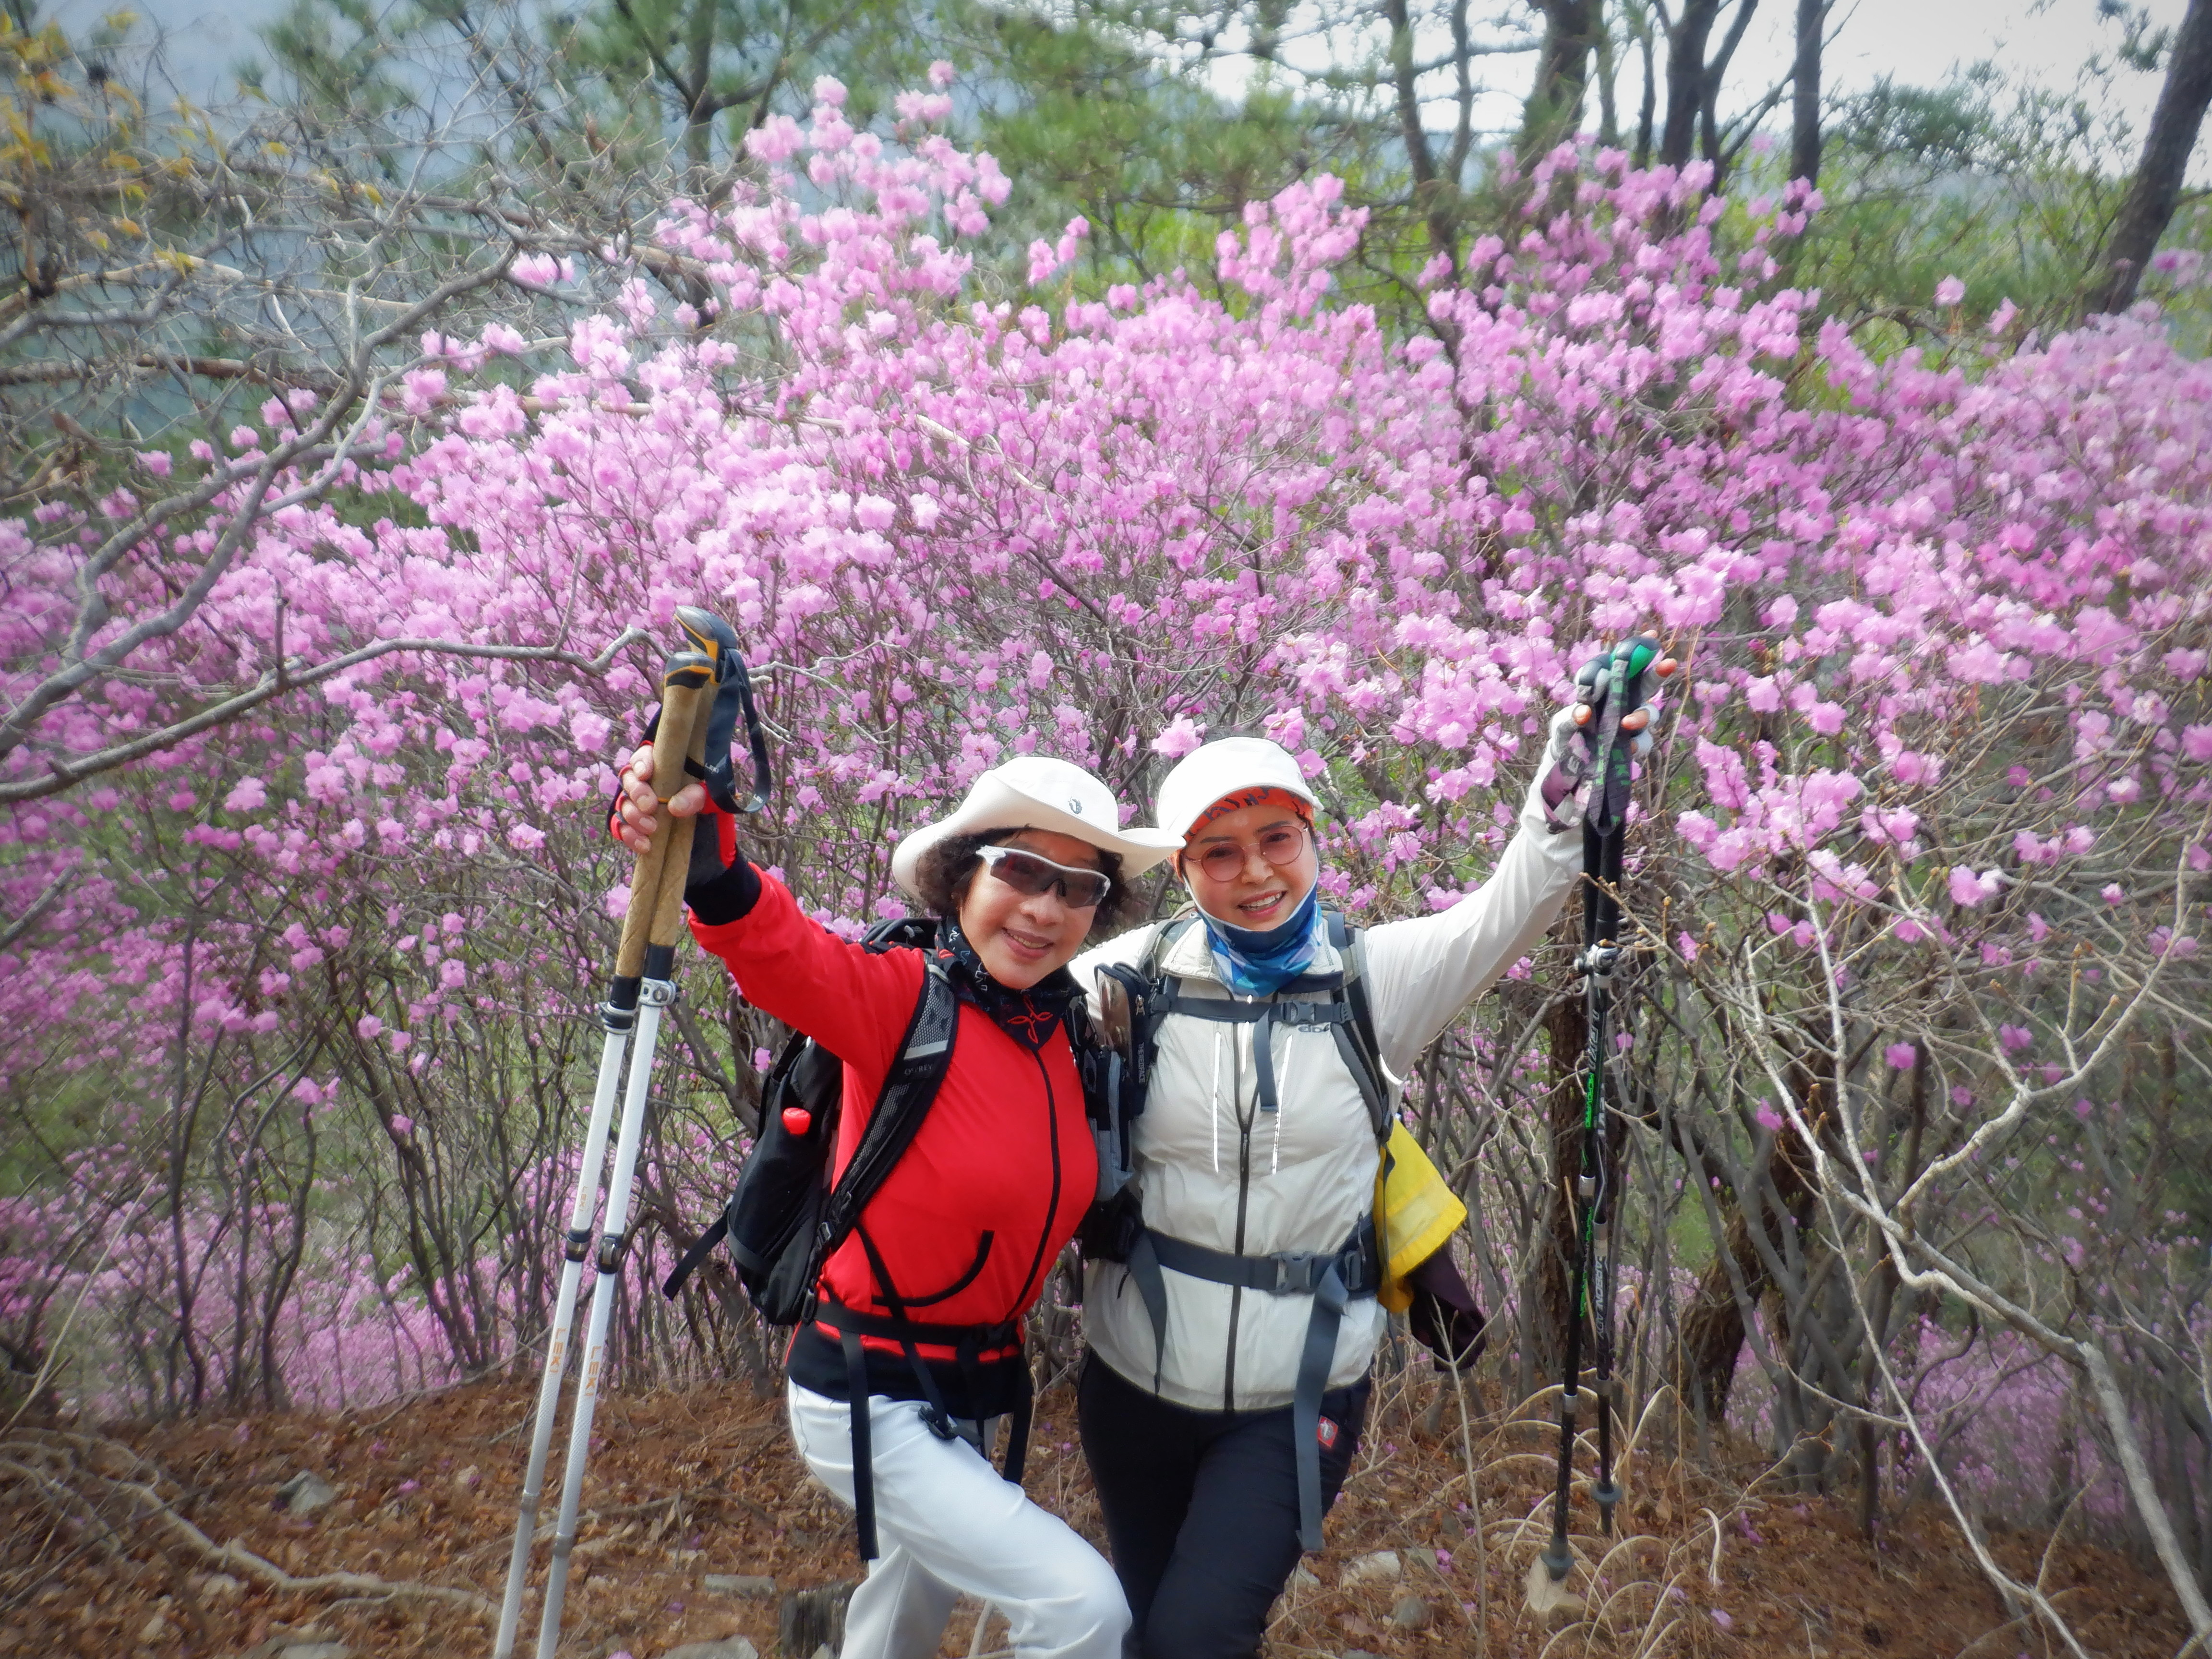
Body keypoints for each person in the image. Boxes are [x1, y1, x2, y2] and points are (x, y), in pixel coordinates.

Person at [1068, 647, 1674, 1659]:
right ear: (1181, 869)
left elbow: (1511, 907)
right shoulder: (1130, 981)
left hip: (1293, 1398)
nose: (1256, 872)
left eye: (1276, 839)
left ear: (1312, 837)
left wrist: (1562, 793)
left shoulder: (1373, 979)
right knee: (1144, 1626)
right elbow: (1005, 990)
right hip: (1131, 1386)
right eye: (1219, 853)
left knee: (1196, 1635)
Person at [614, 746, 1183, 1659]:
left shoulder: (1063, 1036)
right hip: (866, 1390)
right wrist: (707, 846)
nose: (1045, 909)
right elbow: (777, 950)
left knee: (901, 1623)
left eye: (1078, 888)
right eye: (1021, 872)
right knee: (1084, 1610)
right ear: (962, 879)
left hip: (968, 1391)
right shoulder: (903, 1000)